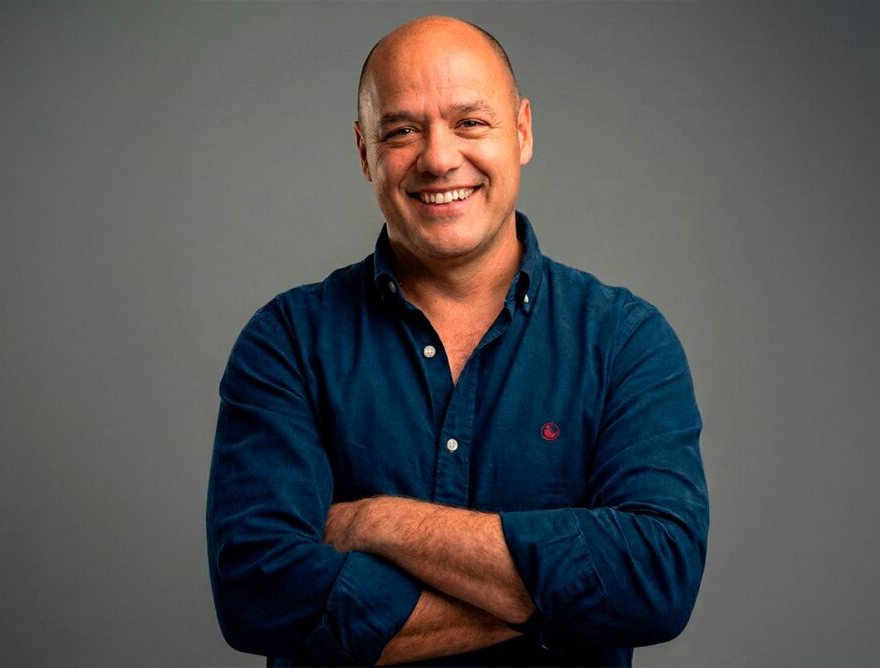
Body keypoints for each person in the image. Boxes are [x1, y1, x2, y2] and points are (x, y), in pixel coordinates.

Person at [206, 15, 708, 667]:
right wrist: (565, 596)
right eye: (402, 131)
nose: (439, 158)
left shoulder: (625, 342)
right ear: (364, 152)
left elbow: (657, 577)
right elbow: (258, 593)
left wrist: (376, 523)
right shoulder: (287, 342)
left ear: (521, 132)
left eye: (470, 122)